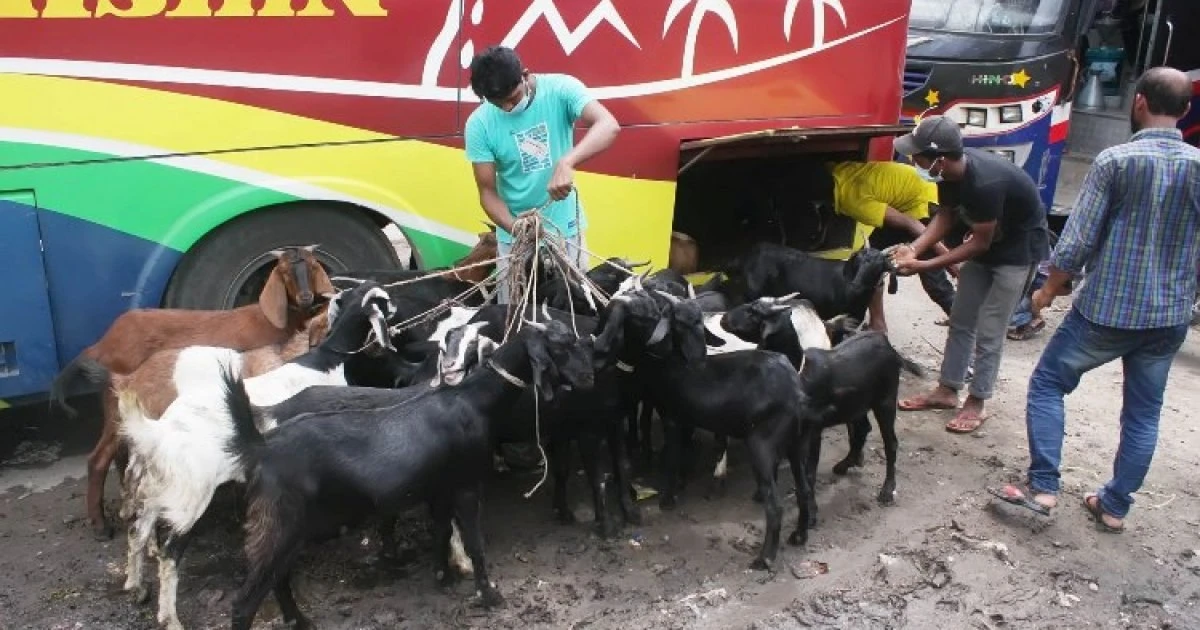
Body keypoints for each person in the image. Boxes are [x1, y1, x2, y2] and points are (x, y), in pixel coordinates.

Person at [996, 67, 1198, 530]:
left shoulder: (1115, 161)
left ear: (1140, 102)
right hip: (1168, 315)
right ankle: (1114, 507)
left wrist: (1047, 289)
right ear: (1186, 111)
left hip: (1108, 310)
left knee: (1048, 383)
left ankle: (1043, 488)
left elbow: (1076, 242)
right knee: (1143, 414)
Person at [890, 115, 1049, 433]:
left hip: (1016, 254)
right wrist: (915, 248)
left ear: (941, 159)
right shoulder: (949, 176)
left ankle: (977, 401)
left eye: (918, 155)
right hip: (989, 247)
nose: (912, 159)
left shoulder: (984, 183)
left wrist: (924, 265)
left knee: (990, 329)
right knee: (962, 319)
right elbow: (946, 217)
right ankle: (947, 390)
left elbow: (979, 242)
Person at [464, 45, 620, 304]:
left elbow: (608, 125)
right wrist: (516, 228)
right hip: (515, 238)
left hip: (565, 231)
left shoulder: (561, 89)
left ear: (525, 75)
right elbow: (488, 192)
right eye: (498, 103)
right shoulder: (479, 124)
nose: (508, 107)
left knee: (575, 312)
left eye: (513, 98)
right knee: (513, 320)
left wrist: (567, 163)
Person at [811, 160, 959, 333]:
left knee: (935, 282)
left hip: (922, 205)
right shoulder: (836, 169)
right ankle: (878, 324)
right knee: (872, 261)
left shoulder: (851, 199)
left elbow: (911, 224)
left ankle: (965, 326)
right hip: (911, 194)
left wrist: (949, 261)